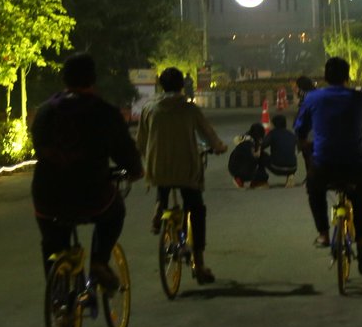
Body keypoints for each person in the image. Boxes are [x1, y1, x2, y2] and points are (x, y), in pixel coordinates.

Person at [30, 53, 143, 292]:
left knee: (51, 240)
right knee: (115, 211)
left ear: (64, 79)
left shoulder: (45, 112)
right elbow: (124, 150)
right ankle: (99, 262)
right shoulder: (105, 112)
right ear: (93, 79)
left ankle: (58, 296)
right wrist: (135, 171)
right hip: (91, 194)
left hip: (47, 194)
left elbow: (39, 146)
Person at [138, 66, 227, 284]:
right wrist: (218, 146)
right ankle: (200, 264)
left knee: (164, 177)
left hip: (158, 169)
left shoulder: (149, 109)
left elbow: (141, 141)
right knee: (196, 209)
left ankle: (160, 205)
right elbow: (207, 133)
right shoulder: (189, 109)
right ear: (182, 86)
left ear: (161, 86)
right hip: (186, 169)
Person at [294, 57, 362, 275]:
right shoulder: (360, 98)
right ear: (347, 76)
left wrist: (306, 144)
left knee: (314, 190)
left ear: (325, 77)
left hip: (323, 165)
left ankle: (323, 233)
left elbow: (300, 130)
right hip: (354, 164)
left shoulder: (313, 98)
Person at [262, 114, 299, 186]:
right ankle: (290, 176)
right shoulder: (291, 134)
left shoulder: (273, 133)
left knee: (260, 154)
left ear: (274, 125)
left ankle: (261, 181)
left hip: (277, 167)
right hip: (293, 167)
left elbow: (262, 146)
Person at [228, 122, 269, 188]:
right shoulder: (249, 143)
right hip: (237, 168)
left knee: (260, 158)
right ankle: (240, 179)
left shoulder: (247, 138)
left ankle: (248, 179)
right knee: (261, 157)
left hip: (234, 165)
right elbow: (254, 157)